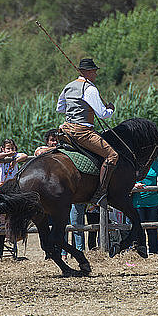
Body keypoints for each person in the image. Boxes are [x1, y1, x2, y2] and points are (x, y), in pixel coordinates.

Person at [56, 58, 117, 206]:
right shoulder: (90, 89)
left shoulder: (68, 86)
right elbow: (103, 114)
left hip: (66, 129)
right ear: (88, 72)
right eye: (94, 71)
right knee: (112, 155)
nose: (95, 74)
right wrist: (110, 109)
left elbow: (60, 108)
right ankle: (101, 192)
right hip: (82, 132)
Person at [133, 158, 158, 255]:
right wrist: (135, 184)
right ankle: (141, 251)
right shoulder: (136, 161)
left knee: (152, 228)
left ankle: (154, 252)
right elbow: (128, 177)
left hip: (154, 201)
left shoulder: (157, 162)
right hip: (138, 201)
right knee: (139, 228)